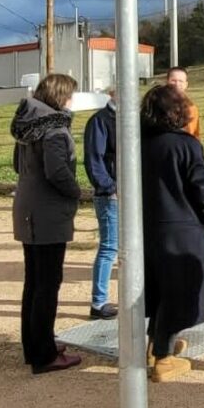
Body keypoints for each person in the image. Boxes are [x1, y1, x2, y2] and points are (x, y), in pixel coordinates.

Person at [140, 84, 204, 383]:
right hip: (183, 228)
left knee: (157, 289)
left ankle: (156, 343)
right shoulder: (185, 144)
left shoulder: (137, 144)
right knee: (178, 292)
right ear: (178, 111)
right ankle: (164, 358)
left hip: (146, 228)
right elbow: (203, 190)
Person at [11, 73, 83, 375]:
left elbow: (17, 165)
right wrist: (76, 192)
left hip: (28, 207)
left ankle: (36, 344)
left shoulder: (29, 126)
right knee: (47, 284)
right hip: (48, 212)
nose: (72, 101)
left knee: (35, 282)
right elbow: (57, 171)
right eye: (70, 95)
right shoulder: (53, 129)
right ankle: (44, 355)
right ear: (61, 96)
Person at [83, 88, 118, 320]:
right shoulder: (100, 120)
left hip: (132, 194)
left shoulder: (133, 119)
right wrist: (109, 188)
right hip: (111, 196)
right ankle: (98, 302)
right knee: (109, 247)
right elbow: (94, 158)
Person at [166, 66, 201, 139]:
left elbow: (194, 134)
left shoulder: (191, 108)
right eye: (173, 80)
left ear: (186, 84)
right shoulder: (159, 103)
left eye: (181, 81)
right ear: (167, 82)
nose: (177, 84)